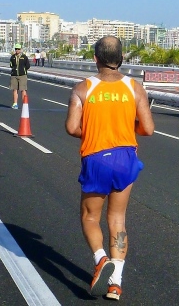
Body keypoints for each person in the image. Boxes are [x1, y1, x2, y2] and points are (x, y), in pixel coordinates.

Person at [65, 36, 155, 300]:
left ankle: (100, 258)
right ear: (122, 58)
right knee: (117, 219)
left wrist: (94, 131)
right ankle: (116, 283)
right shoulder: (134, 88)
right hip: (126, 158)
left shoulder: (83, 89)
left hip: (96, 158)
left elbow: (71, 127)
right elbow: (148, 129)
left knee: (90, 217)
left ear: (95, 59)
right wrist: (127, 127)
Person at [10, 44, 30, 109]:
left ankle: (24, 104)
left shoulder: (24, 57)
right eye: (16, 49)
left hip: (22, 75)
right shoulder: (12, 57)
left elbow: (28, 66)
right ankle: (15, 103)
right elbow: (11, 65)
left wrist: (23, 70)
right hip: (14, 75)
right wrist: (14, 70)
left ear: (21, 49)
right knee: (14, 89)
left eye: (18, 49)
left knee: (23, 90)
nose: (17, 50)